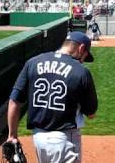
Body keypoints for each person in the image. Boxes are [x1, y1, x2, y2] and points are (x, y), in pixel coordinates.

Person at [7, 31, 98, 163]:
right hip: (64, 140)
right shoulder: (81, 71)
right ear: (81, 48)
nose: (83, 61)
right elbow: (91, 113)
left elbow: (14, 101)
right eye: (84, 56)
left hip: (38, 139)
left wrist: (12, 135)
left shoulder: (32, 62)